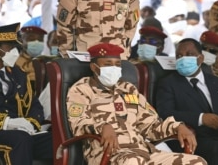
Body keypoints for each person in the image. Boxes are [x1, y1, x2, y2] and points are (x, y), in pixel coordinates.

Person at [66, 43, 207, 165]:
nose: (113, 68)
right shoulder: (81, 89)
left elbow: (150, 125)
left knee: (196, 162)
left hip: (143, 151)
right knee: (133, 161)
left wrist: (177, 126)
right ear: (94, 67)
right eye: (107, 64)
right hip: (108, 155)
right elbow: (78, 124)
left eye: (117, 65)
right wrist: (102, 127)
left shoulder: (128, 88)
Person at [0, 23, 52, 165]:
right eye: (10, 47)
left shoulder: (18, 73)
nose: (15, 51)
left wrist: (31, 123)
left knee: (55, 140)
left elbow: (35, 105)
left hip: (21, 132)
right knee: (21, 139)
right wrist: (8, 123)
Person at [156, 38, 218, 165]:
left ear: (200, 58)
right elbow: (165, 113)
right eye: (179, 56)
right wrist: (201, 118)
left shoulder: (217, 82)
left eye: (189, 54)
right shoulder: (168, 83)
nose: (183, 58)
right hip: (191, 137)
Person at [56, 0, 140, 60]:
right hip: (85, 59)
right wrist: (67, 58)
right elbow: (64, 27)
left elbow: (131, 26)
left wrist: (125, 51)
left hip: (117, 60)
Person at [15, 25, 47, 91]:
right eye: (31, 39)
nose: (36, 42)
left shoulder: (45, 62)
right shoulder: (14, 62)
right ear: (21, 41)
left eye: (40, 40)